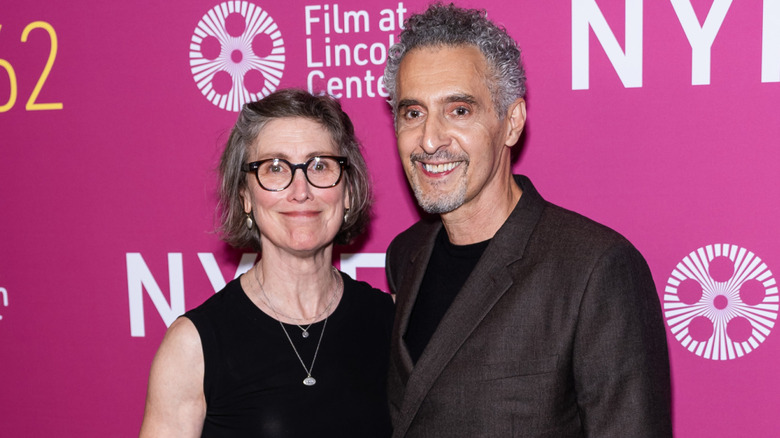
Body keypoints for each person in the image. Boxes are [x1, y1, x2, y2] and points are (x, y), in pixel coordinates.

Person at [382, 3, 672, 437]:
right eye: (413, 112)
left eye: (458, 110)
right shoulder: (404, 255)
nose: (429, 138)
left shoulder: (595, 269)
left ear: (511, 123)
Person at [139, 89, 393, 437]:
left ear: (347, 191)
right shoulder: (193, 347)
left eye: (320, 165)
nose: (300, 190)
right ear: (245, 197)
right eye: (275, 168)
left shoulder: (393, 323)